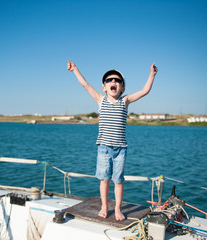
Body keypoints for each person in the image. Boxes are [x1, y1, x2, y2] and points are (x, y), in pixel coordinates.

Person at [67, 60, 158, 221]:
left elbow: (145, 91)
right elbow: (86, 85)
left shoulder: (125, 101)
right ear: (104, 87)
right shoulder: (101, 100)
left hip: (120, 149)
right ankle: (104, 206)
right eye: (109, 80)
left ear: (122, 88)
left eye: (117, 80)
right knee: (104, 179)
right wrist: (75, 69)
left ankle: (117, 208)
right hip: (103, 148)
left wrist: (152, 74)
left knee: (118, 181)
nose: (113, 82)